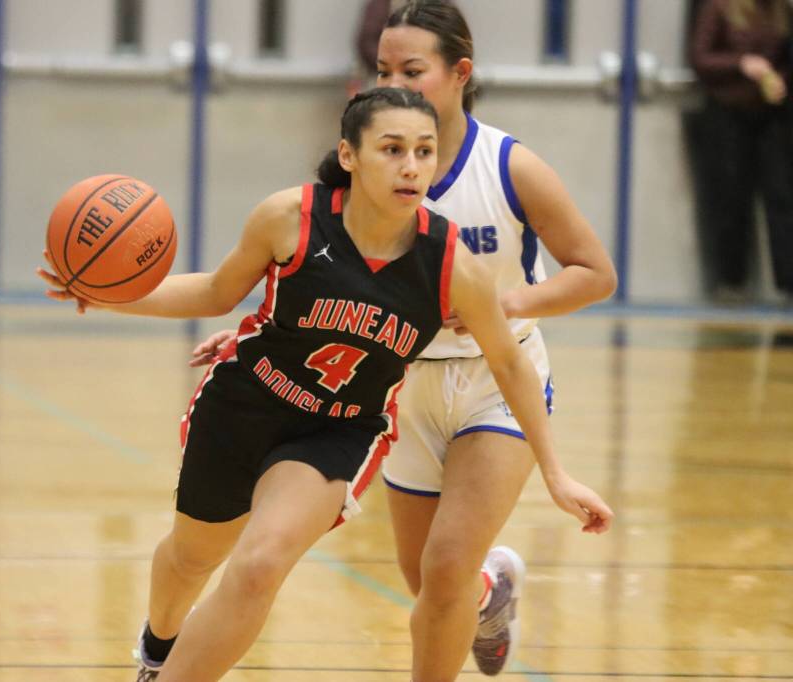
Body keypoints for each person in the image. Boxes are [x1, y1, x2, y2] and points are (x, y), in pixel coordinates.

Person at [38, 87, 613, 682]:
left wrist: (555, 472)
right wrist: (108, 296)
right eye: (392, 149)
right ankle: (158, 647)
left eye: (424, 150)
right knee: (191, 557)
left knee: (259, 564)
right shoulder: (290, 218)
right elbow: (216, 292)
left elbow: (512, 364)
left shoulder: (451, 264)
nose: (411, 165)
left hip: (336, 430)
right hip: (246, 403)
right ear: (349, 154)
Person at [189, 2, 618, 679]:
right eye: (383, 68)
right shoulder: (369, 173)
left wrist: (504, 302)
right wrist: (260, 334)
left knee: (445, 568)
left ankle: (468, 591)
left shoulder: (510, 166)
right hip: (397, 381)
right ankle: (490, 593)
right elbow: (328, 279)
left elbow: (597, 274)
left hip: (492, 379)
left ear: (459, 73)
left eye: (412, 69)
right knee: (429, 582)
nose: (393, 80)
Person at [690, 0, 793, 302]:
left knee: (782, 197)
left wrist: (780, 81)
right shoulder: (720, 7)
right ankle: (731, 280)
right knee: (731, 198)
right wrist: (740, 64)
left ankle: (788, 282)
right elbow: (701, 57)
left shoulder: (780, 10)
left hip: (772, 114)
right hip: (728, 112)